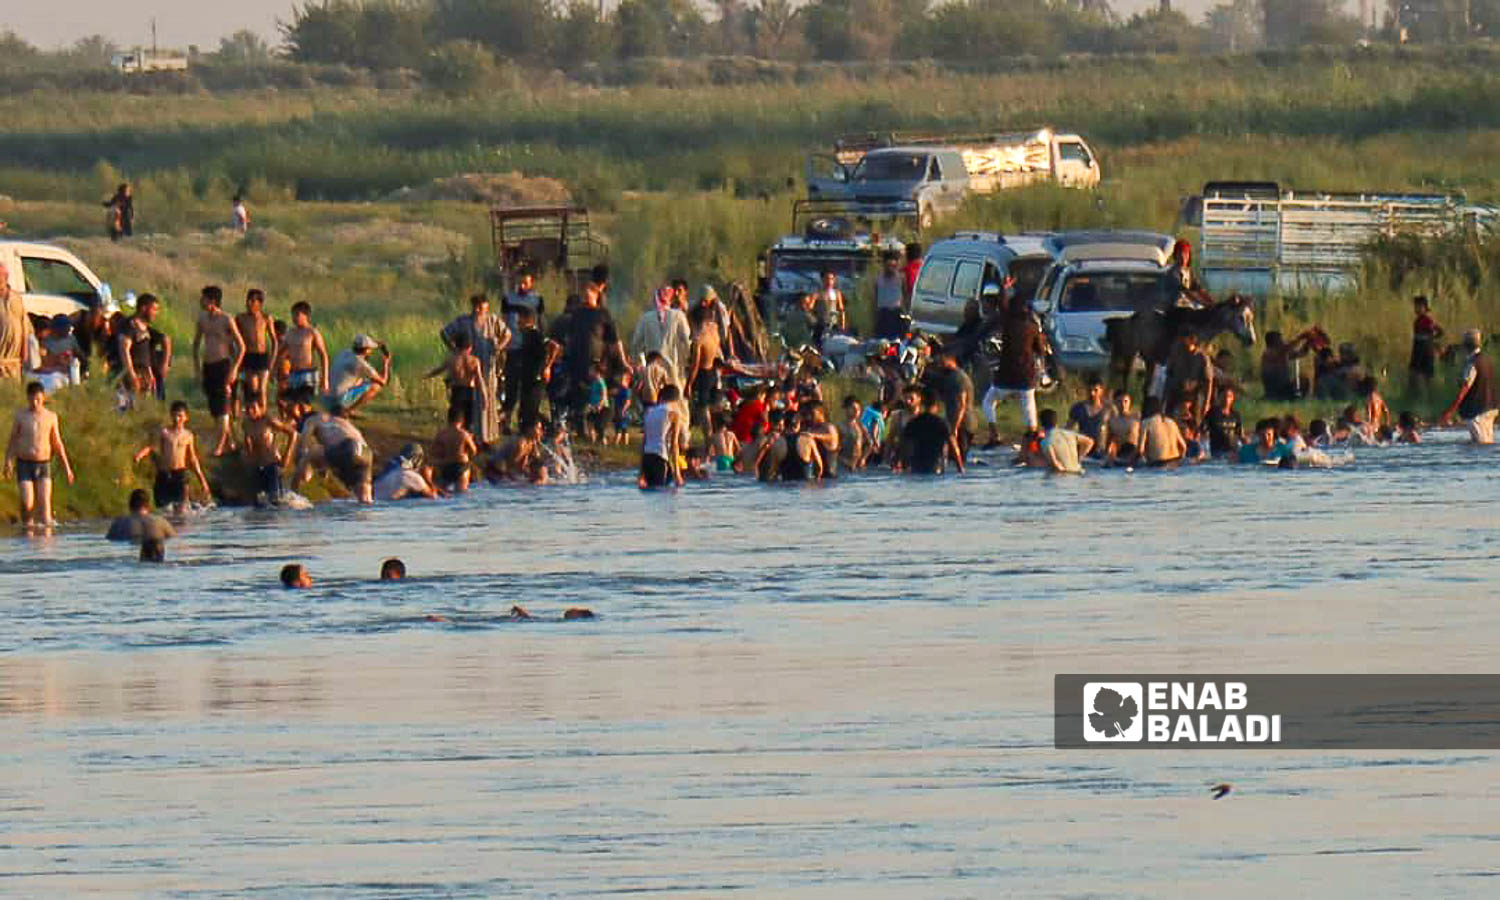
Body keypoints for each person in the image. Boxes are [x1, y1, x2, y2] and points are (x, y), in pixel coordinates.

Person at [552, 265, 626, 433]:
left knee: (599, 396)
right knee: (579, 394)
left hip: (596, 361)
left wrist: (621, 361)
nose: (586, 294)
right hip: (577, 359)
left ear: (596, 294)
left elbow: (614, 340)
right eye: (585, 292)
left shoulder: (603, 314)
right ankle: (581, 427)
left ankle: (599, 429)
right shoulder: (577, 313)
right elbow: (569, 336)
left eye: (590, 292)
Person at [5, 381, 76, 529]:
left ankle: (46, 545)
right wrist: (8, 462)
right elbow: (13, 440)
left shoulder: (51, 417)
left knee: (45, 505)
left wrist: (67, 468)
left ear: (43, 398)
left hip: (43, 464)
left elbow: (57, 443)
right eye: (32, 399)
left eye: (38, 399)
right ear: (27, 398)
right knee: (27, 503)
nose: (35, 403)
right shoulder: (21, 416)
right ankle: (27, 536)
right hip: (24, 463)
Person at [440, 294, 508, 446]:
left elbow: (507, 335)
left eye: (484, 306)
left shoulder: (493, 320)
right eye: (480, 307)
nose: (482, 310)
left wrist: (498, 347)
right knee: (468, 405)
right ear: (475, 307)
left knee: (487, 401)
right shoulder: (463, 321)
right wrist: (455, 350)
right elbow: (444, 333)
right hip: (469, 370)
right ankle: (464, 437)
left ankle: (486, 438)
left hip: (488, 368)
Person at [982, 295, 1046, 443]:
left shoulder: (1007, 323)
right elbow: (1040, 351)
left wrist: (1004, 289)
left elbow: (1002, 306)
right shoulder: (1032, 327)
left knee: (988, 402)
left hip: (1006, 375)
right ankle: (1032, 437)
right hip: (1026, 374)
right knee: (1029, 406)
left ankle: (994, 433)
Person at [194, 285, 247, 456]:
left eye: (204, 298)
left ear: (212, 301)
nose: (201, 301)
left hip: (223, 364)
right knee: (215, 408)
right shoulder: (202, 318)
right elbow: (196, 344)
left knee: (224, 405)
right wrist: (197, 368)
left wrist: (234, 369)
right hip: (208, 365)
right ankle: (230, 443)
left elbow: (241, 346)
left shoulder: (226, 319)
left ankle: (219, 444)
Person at [134, 401, 212, 515]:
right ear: (171, 415)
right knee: (163, 509)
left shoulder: (188, 435)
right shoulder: (165, 432)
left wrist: (202, 480)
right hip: (164, 474)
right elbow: (151, 447)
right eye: (174, 415)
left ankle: (181, 530)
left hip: (180, 474)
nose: (177, 419)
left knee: (182, 510)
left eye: (180, 416)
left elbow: (193, 459)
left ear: (186, 417)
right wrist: (140, 455)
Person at [296, 404, 375, 503]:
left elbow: (304, 444)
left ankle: (292, 494)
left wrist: (304, 463)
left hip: (348, 447)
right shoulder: (338, 421)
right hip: (366, 452)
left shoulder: (311, 420)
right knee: (365, 499)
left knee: (310, 453)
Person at [502, 306, 560, 434]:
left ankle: (551, 430)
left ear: (526, 319)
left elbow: (554, 346)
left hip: (536, 378)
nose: (517, 323)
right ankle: (533, 432)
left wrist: (547, 367)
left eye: (519, 320)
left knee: (530, 411)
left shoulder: (535, 334)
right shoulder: (526, 336)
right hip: (527, 377)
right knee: (525, 411)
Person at [1440, 329, 1498, 444]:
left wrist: (1450, 411)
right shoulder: (1488, 360)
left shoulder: (1472, 364)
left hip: (1477, 412)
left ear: (1465, 346)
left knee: (1481, 447)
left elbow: (1464, 389)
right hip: (1492, 407)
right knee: (1487, 444)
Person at [241, 395, 297, 507]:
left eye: (253, 408)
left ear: (260, 408)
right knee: (258, 502)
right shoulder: (246, 423)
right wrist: (248, 459)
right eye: (247, 409)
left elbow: (293, 434)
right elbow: (247, 441)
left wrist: (287, 456)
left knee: (275, 501)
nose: (250, 411)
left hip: (272, 464)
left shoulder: (268, 420)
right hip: (258, 465)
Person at [631, 285, 692, 385]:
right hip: (674, 372)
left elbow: (635, 345)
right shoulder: (679, 316)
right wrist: (686, 364)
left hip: (652, 373)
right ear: (671, 300)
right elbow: (688, 342)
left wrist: (642, 367)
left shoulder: (645, 318)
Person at [898, 388, 964, 476]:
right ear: (936, 405)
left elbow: (904, 446)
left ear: (922, 404)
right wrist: (960, 468)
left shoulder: (913, 423)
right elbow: (954, 447)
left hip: (917, 467)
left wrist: (903, 465)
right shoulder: (942, 423)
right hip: (936, 468)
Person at [275, 301, 330, 402]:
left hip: (308, 374)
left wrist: (325, 378)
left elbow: (323, 355)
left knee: (306, 405)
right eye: (293, 315)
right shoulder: (290, 333)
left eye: (297, 315)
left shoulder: (312, 332)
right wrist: (277, 370)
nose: (294, 318)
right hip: (293, 373)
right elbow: (279, 352)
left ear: (306, 316)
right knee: (291, 404)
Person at [427, 332, 483, 429]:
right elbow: (480, 380)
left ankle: (454, 437)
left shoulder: (452, 360)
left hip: (457, 390)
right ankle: (467, 438)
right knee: (469, 421)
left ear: (456, 346)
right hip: (470, 391)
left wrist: (428, 375)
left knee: (455, 418)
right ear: (470, 347)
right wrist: (484, 396)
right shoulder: (474, 361)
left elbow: (439, 370)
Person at [235, 289, 277, 412]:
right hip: (248, 356)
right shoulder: (241, 318)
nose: (249, 303)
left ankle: (263, 415)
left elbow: (274, 340)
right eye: (248, 300)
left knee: (262, 389)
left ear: (260, 303)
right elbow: (233, 337)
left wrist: (272, 361)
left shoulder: (266, 318)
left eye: (253, 301)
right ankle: (253, 412)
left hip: (262, 356)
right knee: (252, 388)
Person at [327, 334, 390, 416]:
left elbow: (363, 348)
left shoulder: (345, 352)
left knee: (361, 380)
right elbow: (383, 382)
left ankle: (343, 408)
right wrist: (386, 363)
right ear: (366, 350)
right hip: (339, 399)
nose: (371, 351)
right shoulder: (361, 363)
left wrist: (378, 344)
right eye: (370, 349)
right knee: (376, 386)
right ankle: (347, 411)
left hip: (328, 397)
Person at [116, 293, 162, 404]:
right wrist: (132, 374)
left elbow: (145, 352)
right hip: (132, 373)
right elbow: (124, 350)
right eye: (154, 309)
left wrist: (150, 374)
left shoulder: (144, 327)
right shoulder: (130, 325)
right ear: (144, 308)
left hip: (144, 374)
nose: (156, 313)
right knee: (126, 406)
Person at [1162, 328, 1213, 427]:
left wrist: (1206, 402)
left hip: (1193, 395)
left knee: (1194, 422)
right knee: (1169, 420)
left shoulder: (1202, 358)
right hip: (1176, 392)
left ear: (1191, 340)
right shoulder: (1176, 354)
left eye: (1183, 339)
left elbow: (1208, 381)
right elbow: (1169, 374)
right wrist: (1165, 397)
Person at [640, 384, 685, 489]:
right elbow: (674, 444)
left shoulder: (649, 412)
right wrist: (677, 474)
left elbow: (644, 441)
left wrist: (641, 472)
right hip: (660, 457)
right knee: (661, 493)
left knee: (651, 493)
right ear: (677, 400)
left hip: (647, 457)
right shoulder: (673, 414)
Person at [429, 407, 479, 493]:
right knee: (461, 494)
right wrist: (468, 456)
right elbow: (474, 450)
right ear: (462, 420)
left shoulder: (441, 434)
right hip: (461, 467)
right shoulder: (464, 434)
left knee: (443, 493)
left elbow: (432, 452)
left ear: (448, 419)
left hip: (446, 467)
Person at [933, 351, 973, 457]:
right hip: (954, 422)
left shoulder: (959, 378)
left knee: (959, 456)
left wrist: (955, 426)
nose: (940, 364)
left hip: (963, 424)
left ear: (951, 360)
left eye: (942, 361)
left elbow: (962, 404)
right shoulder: (950, 377)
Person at [106, 489, 176, 546]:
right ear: (148, 505)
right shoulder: (161, 522)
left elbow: (109, 540)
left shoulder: (119, 523)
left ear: (130, 505)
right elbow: (174, 539)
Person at [0, 261, 33, 380]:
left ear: (6, 277)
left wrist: (25, 352)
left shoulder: (16, 298)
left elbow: (24, 326)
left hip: (14, 362)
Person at [374, 443, 441, 501]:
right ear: (416, 459)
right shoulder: (413, 477)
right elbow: (433, 497)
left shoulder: (389, 469)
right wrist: (428, 478)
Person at [1039, 407, 1093, 475]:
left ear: (1041, 424)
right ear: (1056, 422)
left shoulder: (1045, 442)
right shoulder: (1070, 434)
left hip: (1064, 477)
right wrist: (1079, 457)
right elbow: (1089, 442)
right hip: (1078, 471)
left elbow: (1056, 464)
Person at [1066, 377, 1109, 456]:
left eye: (1095, 390)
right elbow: (1068, 428)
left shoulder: (1108, 409)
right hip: (1083, 448)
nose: (1092, 393)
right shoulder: (1078, 408)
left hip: (1101, 450)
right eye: (1089, 390)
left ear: (1101, 391)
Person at [1137, 397, 1186, 468]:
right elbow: (1184, 447)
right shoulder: (1171, 422)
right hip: (1176, 462)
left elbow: (1140, 450)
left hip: (1159, 464)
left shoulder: (1146, 423)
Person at [1409, 295, 1444, 390]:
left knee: (1425, 377)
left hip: (1425, 351)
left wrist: (1430, 340)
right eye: (1415, 306)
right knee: (1414, 376)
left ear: (1424, 307)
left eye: (1419, 306)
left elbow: (1440, 331)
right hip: (1418, 350)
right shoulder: (1417, 320)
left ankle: (1428, 397)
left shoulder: (1427, 320)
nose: (1416, 308)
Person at [1204, 386, 1243, 458]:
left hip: (1233, 451)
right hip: (1218, 451)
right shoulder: (1212, 413)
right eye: (1224, 396)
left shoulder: (1236, 415)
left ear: (1233, 398)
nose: (1226, 399)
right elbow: (1203, 430)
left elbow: (1239, 433)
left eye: (1229, 396)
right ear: (1219, 397)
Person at [874, 251, 906, 338]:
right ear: (884, 265)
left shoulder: (901, 278)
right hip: (883, 314)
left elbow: (906, 295)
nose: (891, 268)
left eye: (893, 266)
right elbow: (876, 298)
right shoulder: (878, 279)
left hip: (896, 314)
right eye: (889, 265)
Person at [1103, 389, 1140, 460]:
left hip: (1135, 453)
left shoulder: (1137, 418)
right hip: (1121, 454)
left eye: (1125, 401)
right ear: (1115, 403)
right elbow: (1109, 441)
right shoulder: (1112, 421)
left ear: (1130, 402)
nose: (1123, 405)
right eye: (1119, 402)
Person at [812, 270, 846, 344]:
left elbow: (841, 309)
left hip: (833, 324)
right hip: (821, 325)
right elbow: (810, 309)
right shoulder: (817, 293)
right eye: (826, 279)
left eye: (831, 279)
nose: (829, 281)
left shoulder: (837, 293)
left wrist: (842, 324)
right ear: (822, 280)